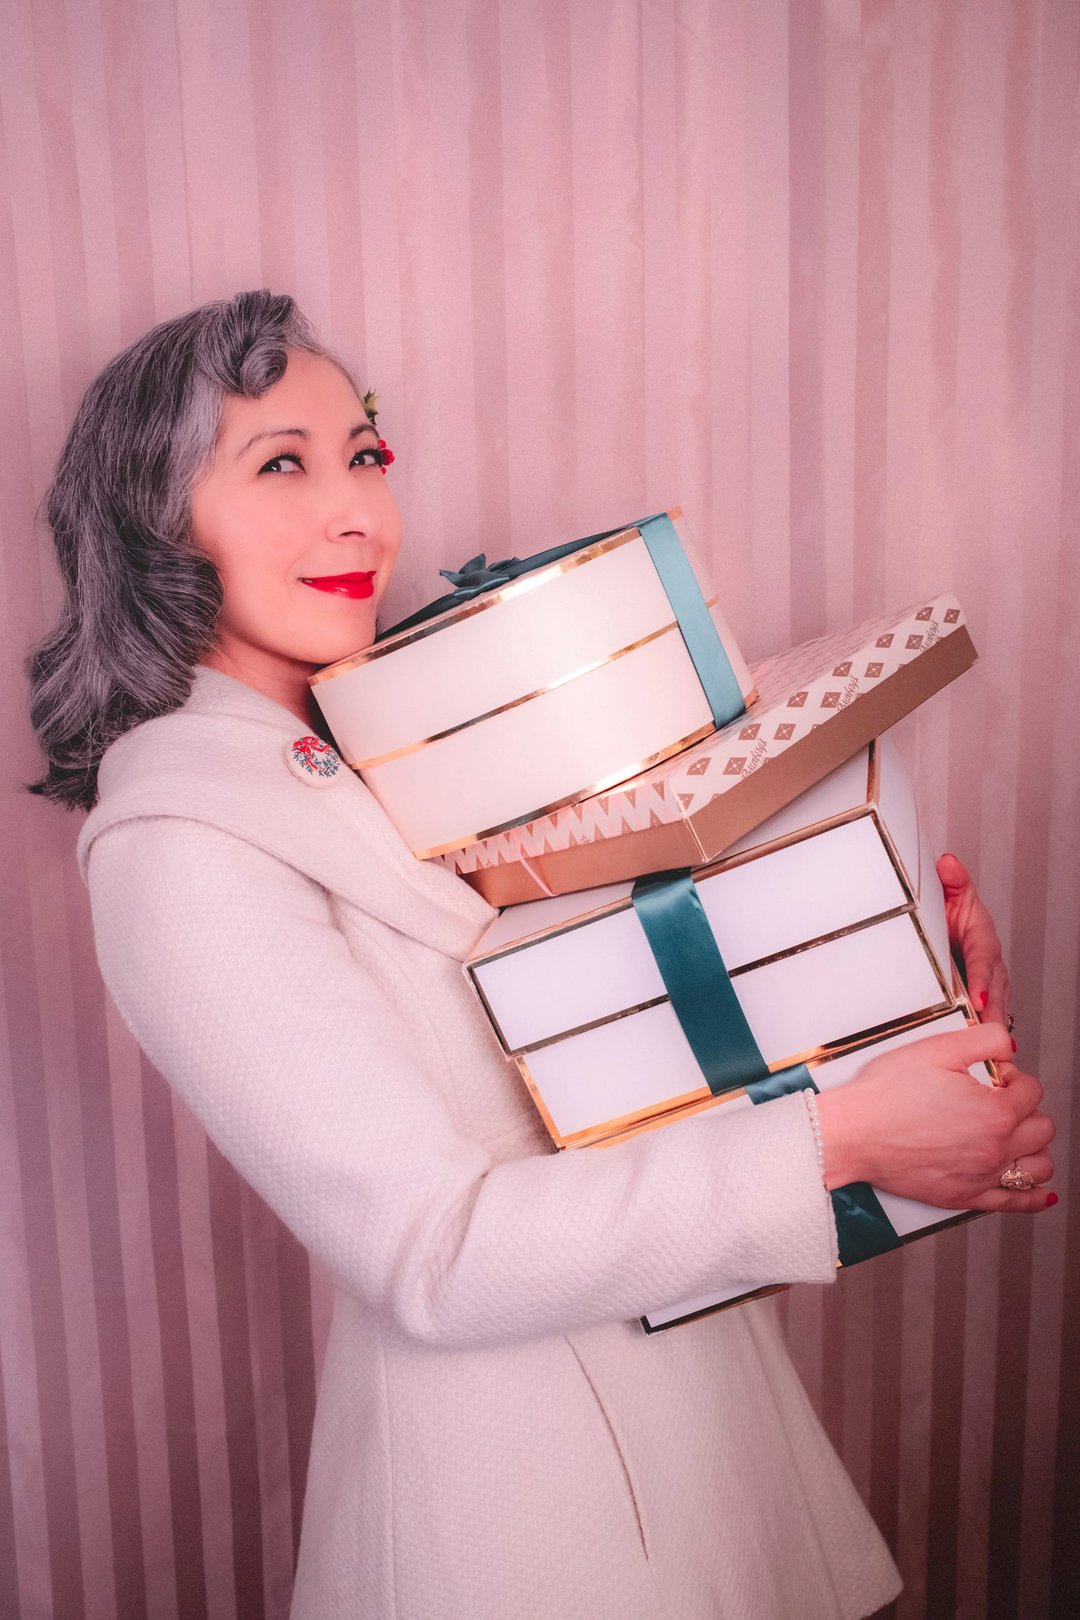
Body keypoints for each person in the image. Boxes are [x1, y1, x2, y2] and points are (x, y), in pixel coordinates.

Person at [27, 291, 1055, 1620]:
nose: (359, 512)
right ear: (155, 525)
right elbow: (433, 1250)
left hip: (691, 1422)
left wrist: (902, 999)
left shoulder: (401, 738)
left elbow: (609, 1049)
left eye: (364, 453)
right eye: (281, 463)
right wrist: (841, 1143)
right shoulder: (178, 844)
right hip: (521, 1509)